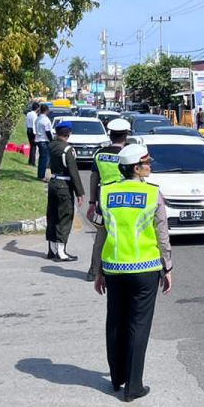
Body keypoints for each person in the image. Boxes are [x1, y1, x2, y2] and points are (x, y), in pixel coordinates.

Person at [90, 144, 172, 402]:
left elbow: (101, 233)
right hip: (145, 268)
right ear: (136, 168)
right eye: (147, 162)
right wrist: (167, 267)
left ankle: (117, 378)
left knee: (115, 321)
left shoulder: (107, 193)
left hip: (113, 266)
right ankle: (133, 386)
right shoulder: (152, 194)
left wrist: (98, 270)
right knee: (139, 325)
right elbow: (162, 233)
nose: (150, 166)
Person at [87, 117, 132, 281]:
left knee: (101, 236)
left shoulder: (100, 154)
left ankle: (93, 271)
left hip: (104, 201)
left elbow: (94, 178)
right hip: (126, 201)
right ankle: (123, 269)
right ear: (126, 135)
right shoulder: (129, 154)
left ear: (110, 135)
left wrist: (92, 202)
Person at [46, 120, 85, 262]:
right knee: (65, 217)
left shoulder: (52, 146)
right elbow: (73, 172)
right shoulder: (68, 150)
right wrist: (79, 192)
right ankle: (61, 252)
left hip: (53, 182)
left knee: (52, 215)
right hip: (64, 184)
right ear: (69, 133)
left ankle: (52, 248)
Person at [34, 103, 53, 181]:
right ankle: (42, 176)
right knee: (44, 159)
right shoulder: (45, 119)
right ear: (46, 110)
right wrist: (52, 140)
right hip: (44, 140)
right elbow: (48, 132)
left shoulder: (38, 118)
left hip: (38, 139)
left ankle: (40, 175)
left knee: (42, 158)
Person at [25, 102, 38, 167]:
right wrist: (35, 134)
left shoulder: (28, 113)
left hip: (28, 129)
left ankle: (30, 161)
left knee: (31, 145)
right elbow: (34, 124)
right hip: (33, 130)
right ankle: (32, 162)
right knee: (33, 146)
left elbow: (26, 122)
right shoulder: (35, 115)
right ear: (37, 108)